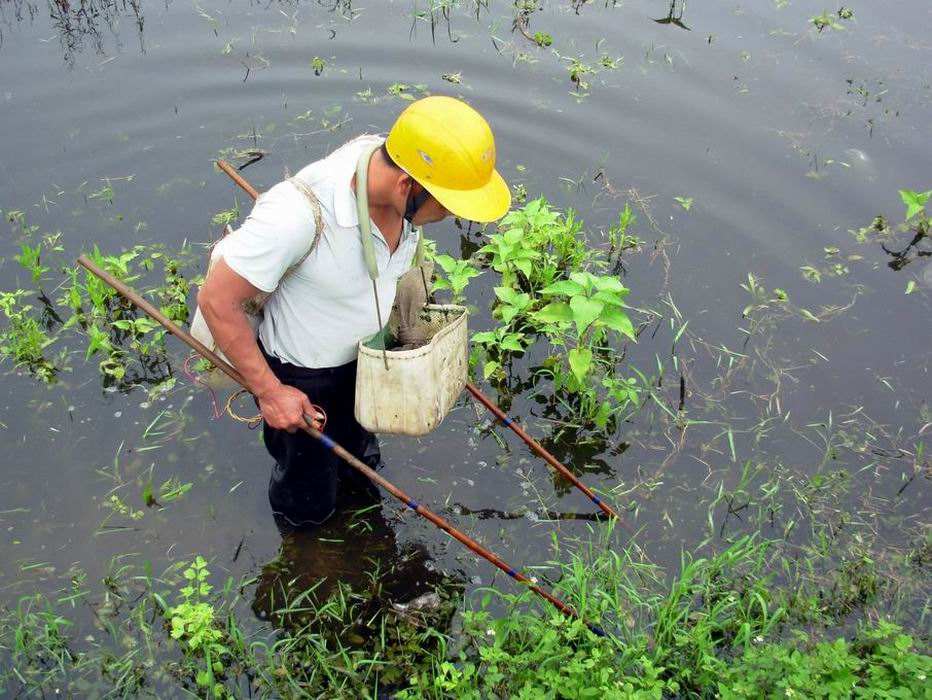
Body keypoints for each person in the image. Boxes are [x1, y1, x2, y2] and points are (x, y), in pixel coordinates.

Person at [197, 96, 510, 527]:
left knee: (359, 462)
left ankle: (356, 505)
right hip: (304, 380)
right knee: (308, 499)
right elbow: (217, 301)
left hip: (365, 361)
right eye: (448, 206)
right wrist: (271, 394)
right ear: (407, 186)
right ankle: (306, 558)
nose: (451, 217)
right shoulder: (296, 215)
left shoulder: (396, 170)